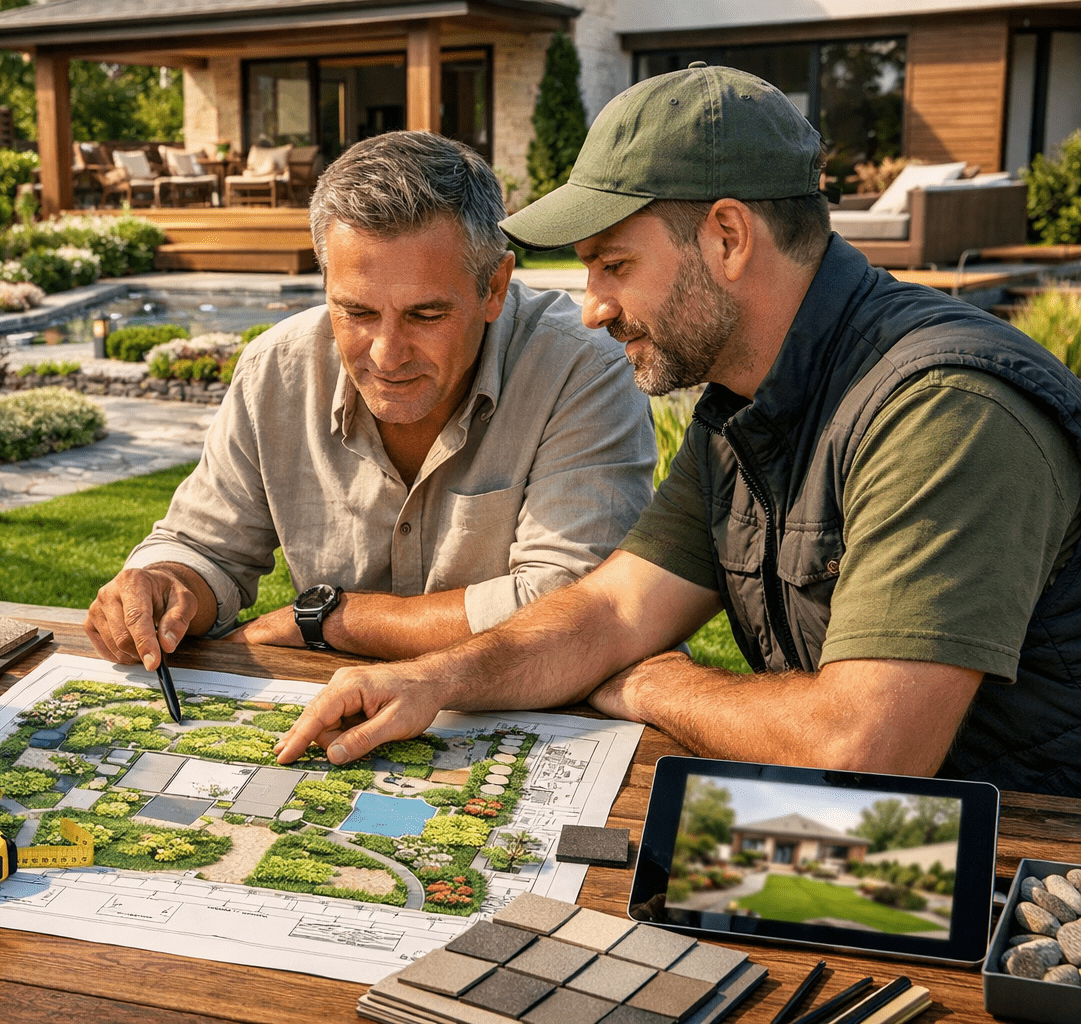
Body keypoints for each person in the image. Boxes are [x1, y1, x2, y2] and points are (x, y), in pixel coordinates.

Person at [275, 64, 1081, 796]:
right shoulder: (747, 402)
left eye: (613, 265)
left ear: (727, 238)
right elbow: (614, 613)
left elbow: (862, 747)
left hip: (1030, 892)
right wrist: (433, 682)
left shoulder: (943, 409)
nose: (592, 307)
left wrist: (655, 685)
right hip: (882, 844)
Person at [85, 131, 654, 669]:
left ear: (496, 287)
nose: (385, 355)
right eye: (355, 312)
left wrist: (333, 621)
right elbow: (206, 548)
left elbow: (572, 605)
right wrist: (165, 583)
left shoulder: (582, 370)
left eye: (426, 314)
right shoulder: (276, 370)